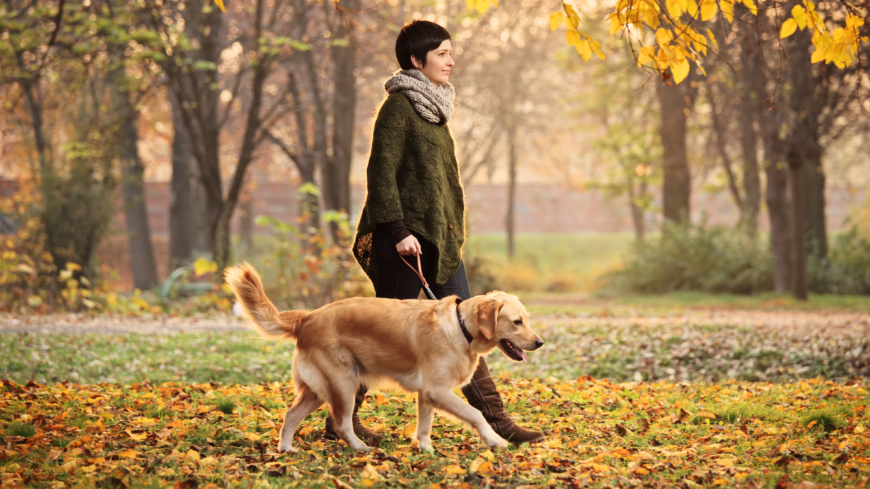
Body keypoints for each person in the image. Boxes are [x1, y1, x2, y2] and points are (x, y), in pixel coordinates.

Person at [326, 19, 545, 446]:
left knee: (475, 329)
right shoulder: (399, 108)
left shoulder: (436, 109)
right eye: (442, 53)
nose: (450, 60)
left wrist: (449, 234)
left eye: (450, 52)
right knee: (380, 338)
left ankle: (496, 421)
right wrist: (397, 229)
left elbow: (439, 184)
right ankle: (340, 423)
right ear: (416, 59)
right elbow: (381, 174)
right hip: (403, 244)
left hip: (439, 244)